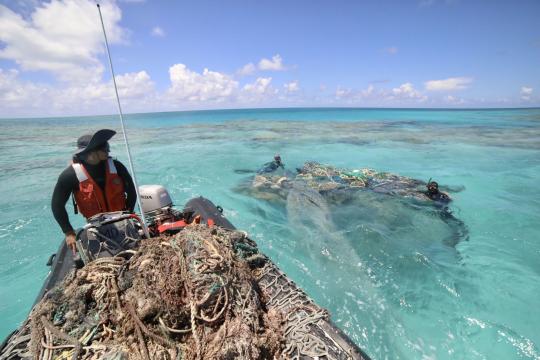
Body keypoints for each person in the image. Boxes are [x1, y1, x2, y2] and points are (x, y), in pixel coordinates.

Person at [52, 129, 136, 254]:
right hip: (96, 227)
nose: (108, 149)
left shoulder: (116, 167)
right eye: (104, 147)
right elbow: (57, 205)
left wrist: (129, 214)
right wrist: (69, 232)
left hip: (122, 220)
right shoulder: (70, 175)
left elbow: (132, 192)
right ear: (91, 152)